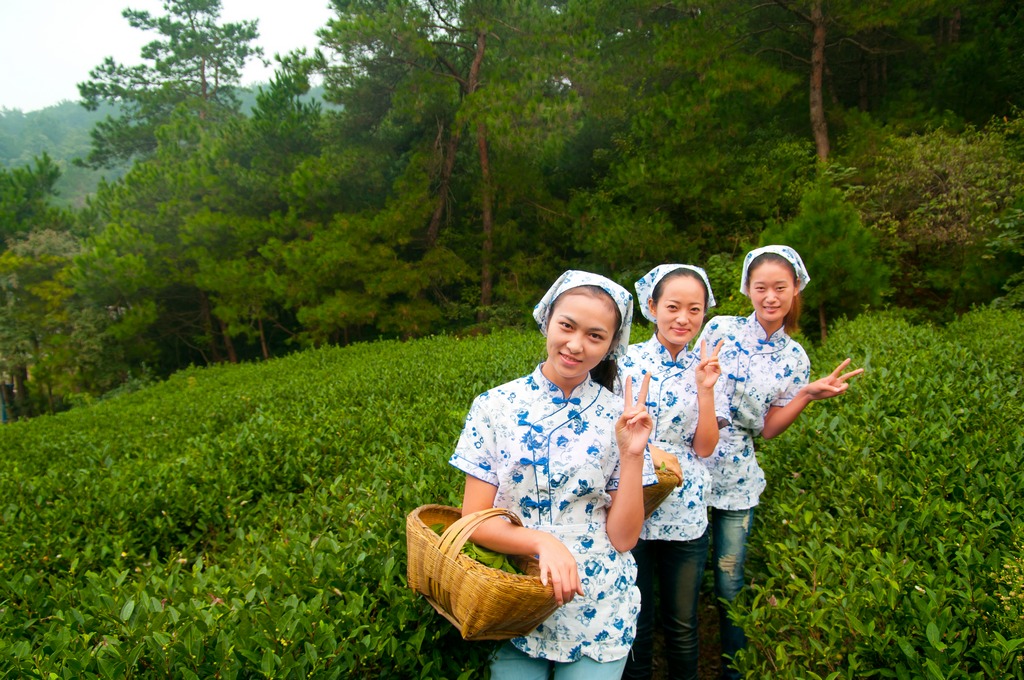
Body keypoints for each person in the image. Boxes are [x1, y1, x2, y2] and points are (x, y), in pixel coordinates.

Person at [449, 269, 659, 679]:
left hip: (597, 604)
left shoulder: (620, 414)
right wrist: (541, 541)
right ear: (547, 319)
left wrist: (633, 456)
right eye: (567, 326)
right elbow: (473, 520)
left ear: (612, 346)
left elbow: (623, 538)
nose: (576, 345)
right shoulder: (495, 406)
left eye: (595, 336)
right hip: (515, 598)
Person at [696, 245, 863, 679]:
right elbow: (688, 388)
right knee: (685, 583)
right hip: (690, 468)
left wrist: (806, 394)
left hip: (738, 478)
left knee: (730, 583)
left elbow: (769, 428)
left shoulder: (795, 358)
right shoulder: (719, 329)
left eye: (779, 288)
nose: (770, 296)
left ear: (795, 291)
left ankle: (734, 670)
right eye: (761, 287)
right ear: (747, 290)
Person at [618, 264, 726, 680]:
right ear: (651, 307)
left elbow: (704, 447)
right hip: (634, 509)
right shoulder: (626, 361)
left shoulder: (710, 365)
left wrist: (705, 390)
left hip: (686, 512)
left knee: (682, 625)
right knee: (636, 623)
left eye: (694, 310)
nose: (684, 318)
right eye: (673, 307)